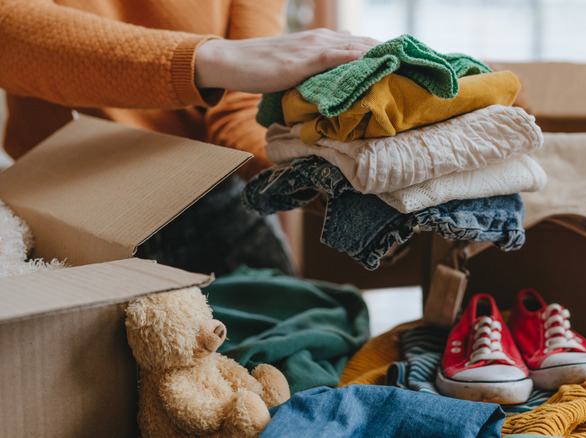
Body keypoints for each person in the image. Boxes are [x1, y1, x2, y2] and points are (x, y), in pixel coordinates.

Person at [0, 0, 378, 276]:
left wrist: (322, 178)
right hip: (68, 199)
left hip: (203, 187)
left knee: (302, 348)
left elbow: (237, 112)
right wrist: (211, 59)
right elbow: (8, 30)